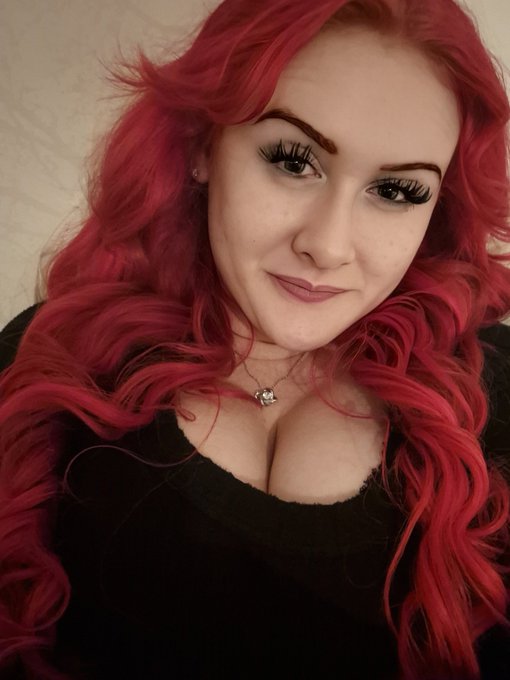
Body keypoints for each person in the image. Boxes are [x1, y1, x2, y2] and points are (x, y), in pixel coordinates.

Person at [1, 0, 510, 678]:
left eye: (395, 191)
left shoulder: (494, 390)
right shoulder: (51, 358)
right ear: (202, 147)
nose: (328, 245)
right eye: (293, 160)